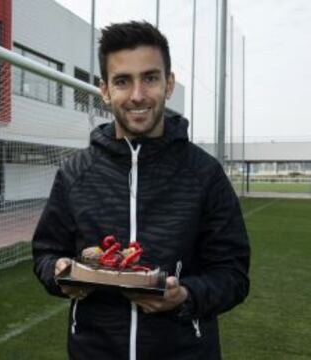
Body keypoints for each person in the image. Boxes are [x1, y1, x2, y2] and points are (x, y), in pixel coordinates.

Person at [32, 21, 250, 360]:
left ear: (169, 83)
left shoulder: (205, 173)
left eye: (149, 78)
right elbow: (45, 254)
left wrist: (186, 296)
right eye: (122, 81)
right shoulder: (75, 172)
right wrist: (61, 272)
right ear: (104, 90)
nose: (137, 95)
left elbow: (233, 275)